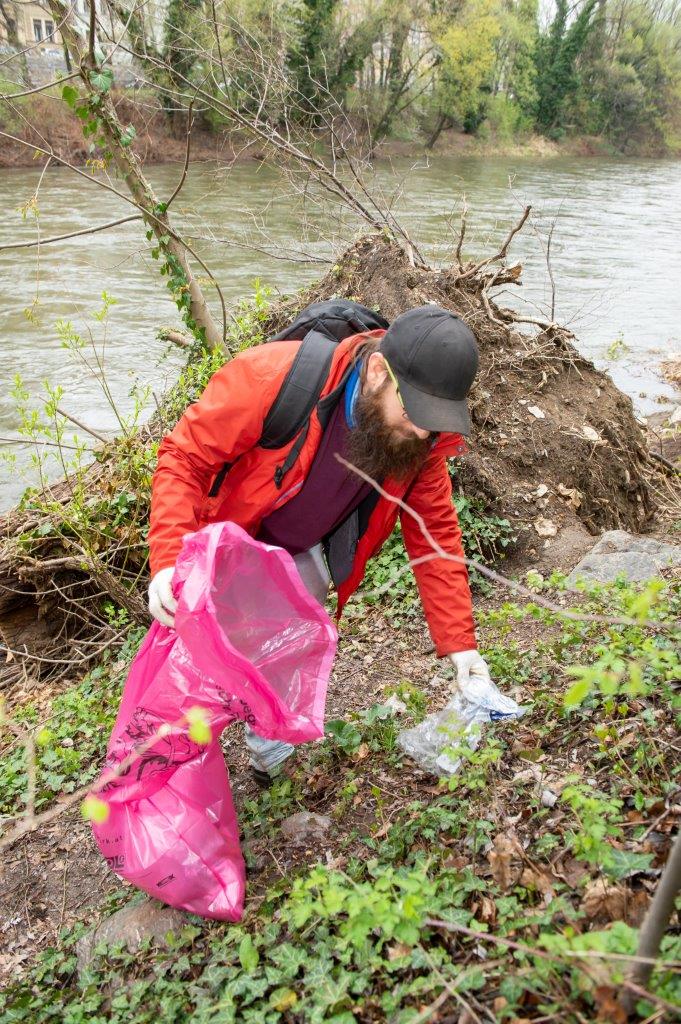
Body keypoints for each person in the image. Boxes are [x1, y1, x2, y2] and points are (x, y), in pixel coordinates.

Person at [147, 304, 494, 783]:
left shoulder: (420, 441)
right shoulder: (271, 377)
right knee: (193, 664)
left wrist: (461, 648)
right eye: (416, 411)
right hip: (230, 541)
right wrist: (167, 560)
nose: (424, 431)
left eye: (436, 419)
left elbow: (435, 536)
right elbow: (184, 459)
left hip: (303, 551)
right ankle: (167, 772)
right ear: (377, 372)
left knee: (288, 645)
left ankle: (270, 752)